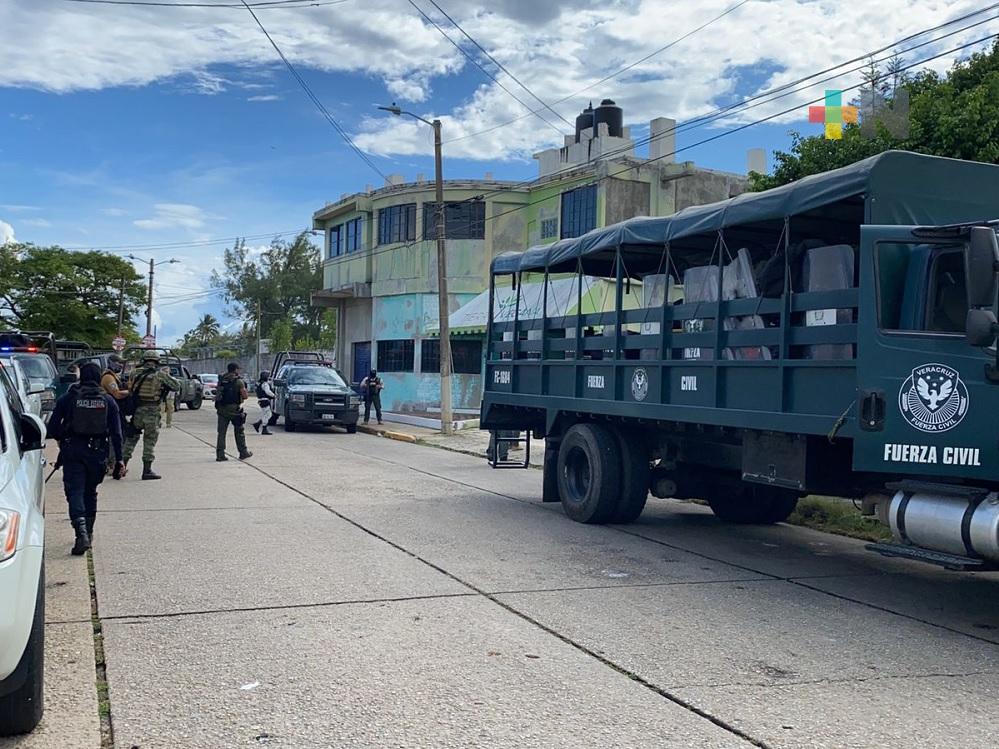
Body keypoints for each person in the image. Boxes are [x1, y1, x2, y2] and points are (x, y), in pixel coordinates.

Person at [47, 363, 125, 555]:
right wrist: (119, 460)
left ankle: (80, 532)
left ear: (80, 376)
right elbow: (116, 433)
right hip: (98, 453)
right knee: (90, 492)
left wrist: (62, 441)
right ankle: (88, 534)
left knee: (75, 492)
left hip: (73, 451)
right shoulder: (107, 400)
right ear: (99, 377)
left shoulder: (68, 398)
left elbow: (52, 429)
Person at [122, 353, 181, 480]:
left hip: (137, 410)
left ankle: (120, 467)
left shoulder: (135, 373)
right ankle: (147, 471)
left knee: (131, 439)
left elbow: (130, 387)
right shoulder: (160, 375)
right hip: (152, 411)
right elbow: (176, 386)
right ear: (157, 362)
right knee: (149, 441)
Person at [216, 362, 252, 462]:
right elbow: (245, 396)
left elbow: (218, 393)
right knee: (239, 431)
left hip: (222, 409)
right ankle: (243, 452)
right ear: (235, 370)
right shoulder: (238, 381)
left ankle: (220, 454)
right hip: (234, 410)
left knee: (221, 433)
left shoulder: (222, 379)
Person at [100, 354, 130, 476]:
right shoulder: (108, 378)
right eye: (118, 363)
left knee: (119, 436)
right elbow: (117, 394)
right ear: (111, 363)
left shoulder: (113, 377)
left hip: (114, 410)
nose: (120, 365)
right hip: (109, 411)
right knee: (115, 437)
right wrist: (131, 391)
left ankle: (111, 463)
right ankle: (111, 464)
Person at [252, 371, 275, 435]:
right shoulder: (265, 384)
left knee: (265, 414)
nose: (268, 377)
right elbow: (267, 392)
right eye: (268, 376)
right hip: (265, 400)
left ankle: (258, 424)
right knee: (268, 414)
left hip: (261, 400)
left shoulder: (258, 383)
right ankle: (263, 428)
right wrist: (274, 395)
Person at [159, 363, 175, 429]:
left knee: (170, 410)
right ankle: (159, 422)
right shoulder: (159, 379)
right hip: (162, 397)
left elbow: (175, 387)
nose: (166, 373)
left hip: (170, 397)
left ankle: (169, 423)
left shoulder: (172, 379)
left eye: (167, 371)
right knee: (160, 410)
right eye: (165, 371)